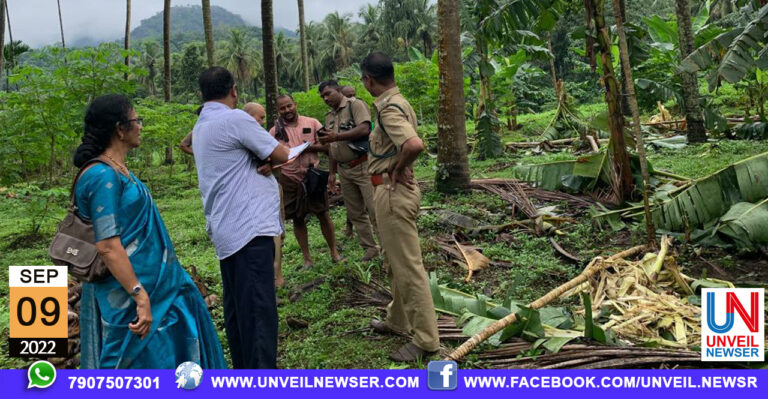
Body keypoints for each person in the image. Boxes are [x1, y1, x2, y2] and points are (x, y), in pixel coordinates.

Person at [72, 94, 226, 369]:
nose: (140, 126)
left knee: (163, 356)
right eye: (136, 120)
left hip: (159, 284)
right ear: (120, 128)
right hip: (127, 293)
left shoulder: (118, 170)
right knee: (129, 362)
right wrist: (139, 295)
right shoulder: (101, 176)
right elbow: (107, 245)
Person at [193, 67, 289, 369]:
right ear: (234, 90)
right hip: (249, 230)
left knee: (238, 312)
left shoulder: (202, 124)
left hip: (226, 230)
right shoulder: (234, 118)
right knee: (259, 312)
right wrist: (269, 157)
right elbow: (282, 154)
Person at [361, 52, 439, 362]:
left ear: (369, 80)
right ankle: (397, 319)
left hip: (393, 192)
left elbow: (414, 144)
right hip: (391, 192)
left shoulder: (388, 109)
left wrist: (398, 166)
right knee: (394, 261)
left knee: (407, 266)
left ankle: (427, 341)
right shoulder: (398, 101)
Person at [269, 94, 342, 268]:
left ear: (295, 104)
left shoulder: (312, 123)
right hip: (289, 178)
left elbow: (327, 146)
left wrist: (307, 147)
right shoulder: (274, 132)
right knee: (297, 218)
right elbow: (270, 156)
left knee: (323, 213)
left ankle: (334, 252)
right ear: (278, 111)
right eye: (282, 108)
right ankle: (307, 259)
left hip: (312, 175)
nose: (287, 110)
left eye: (289, 106)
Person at [318, 80, 379, 262]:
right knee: (355, 212)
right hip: (344, 171)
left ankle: (387, 248)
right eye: (322, 96)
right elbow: (331, 147)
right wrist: (331, 173)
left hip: (363, 166)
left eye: (328, 93)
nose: (326, 98)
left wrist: (336, 136)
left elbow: (364, 128)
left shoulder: (355, 105)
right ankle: (370, 248)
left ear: (338, 90)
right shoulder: (329, 116)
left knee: (374, 210)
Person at [340, 85, 358, 237]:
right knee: (351, 202)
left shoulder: (359, 110)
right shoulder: (337, 115)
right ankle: (349, 226)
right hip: (345, 166)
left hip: (362, 163)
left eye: (353, 95)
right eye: (348, 96)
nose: (352, 98)